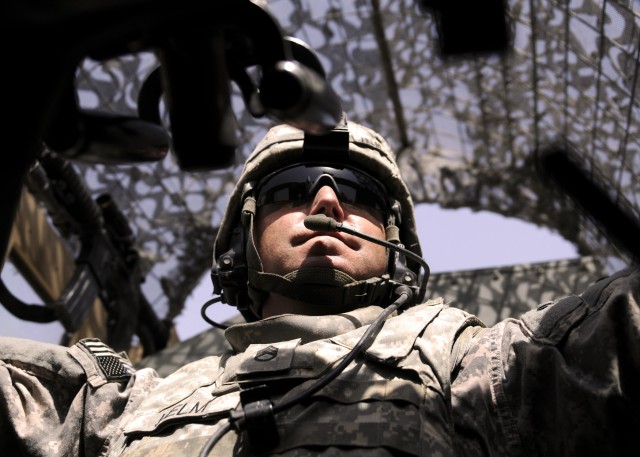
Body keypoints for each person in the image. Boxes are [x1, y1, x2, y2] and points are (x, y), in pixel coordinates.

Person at [0, 118, 638, 457]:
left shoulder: (480, 368)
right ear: (244, 234)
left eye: (357, 193)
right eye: (291, 188)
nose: (328, 200)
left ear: (394, 238)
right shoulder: (117, 403)